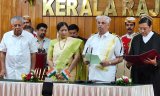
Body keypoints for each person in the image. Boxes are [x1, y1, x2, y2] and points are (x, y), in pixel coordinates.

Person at [82, 16, 123, 82]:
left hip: (107, 76)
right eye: (98, 23)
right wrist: (86, 60)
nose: (100, 25)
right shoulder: (91, 39)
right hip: (93, 76)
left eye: (103, 23)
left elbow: (120, 58)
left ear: (108, 25)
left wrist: (109, 62)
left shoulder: (115, 39)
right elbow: (85, 56)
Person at [127, 15, 160, 96]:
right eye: (140, 28)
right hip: (137, 74)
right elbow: (131, 54)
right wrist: (129, 62)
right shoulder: (135, 39)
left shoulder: (158, 39)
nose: (142, 31)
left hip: (153, 75)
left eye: (144, 28)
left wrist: (156, 63)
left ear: (150, 27)